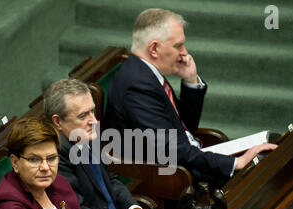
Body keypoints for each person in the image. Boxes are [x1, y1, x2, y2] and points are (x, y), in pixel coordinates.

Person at [105, 8, 277, 188]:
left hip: (184, 161)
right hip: (169, 176)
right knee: (265, 175)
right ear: (154, 48)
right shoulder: (137, 85)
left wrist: (190, 81)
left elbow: (186, 126)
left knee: (270, 148)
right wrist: (236, 163)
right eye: (178, 46)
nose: (184, 53)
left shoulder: (146, 72)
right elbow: (172, 150)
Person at [44, 78, 175, 209]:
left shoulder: (87, 136)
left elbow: (110, 180)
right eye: (83, 115)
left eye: (93, 111)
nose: (93, 120)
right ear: (57, 122)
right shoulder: (53, 155)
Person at [0, 117, 116, 209]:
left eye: (51, 158)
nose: (45, 167)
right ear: (15, 162)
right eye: (34, 160)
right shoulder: (7, 198)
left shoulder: (59, 183)